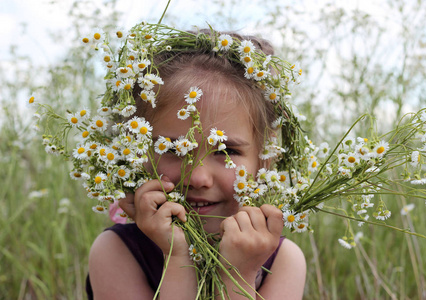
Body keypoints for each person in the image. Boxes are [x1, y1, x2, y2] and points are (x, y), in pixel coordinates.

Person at [87, 28, 306, 299]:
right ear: (135, 154)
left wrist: (238, 274)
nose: (198, 177)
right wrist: (178, 257)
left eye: (225, 151)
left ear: (265, 159)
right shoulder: (116, 251)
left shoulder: (283, 260)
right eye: (172, 149)